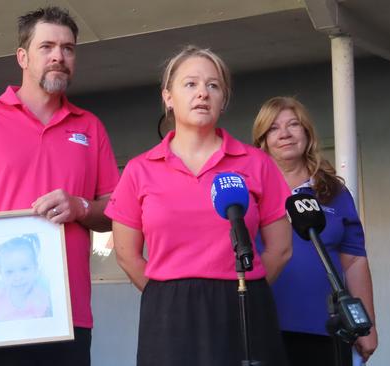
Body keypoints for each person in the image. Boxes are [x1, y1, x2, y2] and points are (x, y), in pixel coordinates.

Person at [0, 6, 119, 365]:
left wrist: (81, 207)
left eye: (68, 48)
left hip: (67, 318)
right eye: (47, 46)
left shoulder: (91, 127)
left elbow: (114, 212)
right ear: (22, 56)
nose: (59, 56)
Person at [105, 45, 292, 366]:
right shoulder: (139, 169)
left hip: (245, 302)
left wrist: (242, 291)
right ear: (168, 96)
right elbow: (126, 254)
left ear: (224, 99)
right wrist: (168, 296)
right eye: (190, 84)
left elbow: (280, 249)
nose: (203, 93)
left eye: (213, 85)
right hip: (168, 312)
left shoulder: (256, 164)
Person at [252, 96, 378, 365]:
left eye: (293, 125)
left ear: (307, 134)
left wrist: (367, 324)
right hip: (262, 327)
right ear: (262, 140)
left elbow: (354, 261)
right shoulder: (250, 191)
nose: (284, 134)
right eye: (273, 128)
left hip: (326, 329)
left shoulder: (334, 192)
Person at [0, 233, 52, 322]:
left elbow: (51, 326)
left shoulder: (41, 297)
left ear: (35, 268)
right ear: (1, 273)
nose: (18, 277)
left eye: (24, 269)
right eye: (9, 272)